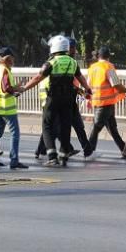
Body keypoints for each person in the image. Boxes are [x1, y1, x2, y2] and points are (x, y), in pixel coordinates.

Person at [20, 36, 91, 166]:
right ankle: (64, 156)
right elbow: (80, 78)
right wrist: (87, 89)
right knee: (65, 126)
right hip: (68, 99)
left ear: (54, 48)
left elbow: (37, 78)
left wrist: (24, 88)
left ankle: (52, 157)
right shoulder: (72, 62)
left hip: (53, 99)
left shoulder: (51, 62)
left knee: (47, 126)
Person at [84, 46, 126, 157]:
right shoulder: (109, 66)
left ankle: (124, 148)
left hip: (97, 101)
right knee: (97, 127)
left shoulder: (92, 67)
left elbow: (88, 85)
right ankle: (88, 150)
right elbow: (116, 84)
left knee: (112, 127)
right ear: (108, 56)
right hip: (106, 102)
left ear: (98, 56)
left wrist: (87, 99)